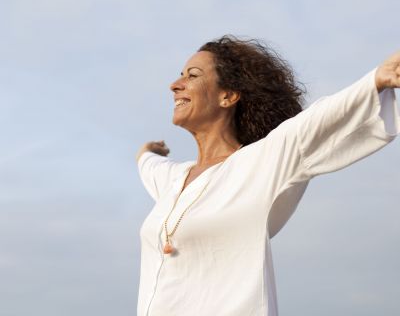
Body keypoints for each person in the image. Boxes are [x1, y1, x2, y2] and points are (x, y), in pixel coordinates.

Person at [135, 35, 400, 316]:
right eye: (180, 76)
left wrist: (377, 79)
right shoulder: (173, 179)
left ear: (228, 96)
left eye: (193, 75)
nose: (175, 85)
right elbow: (148, 164)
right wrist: (147, 151)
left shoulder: (261, 163)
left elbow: (314, 123)